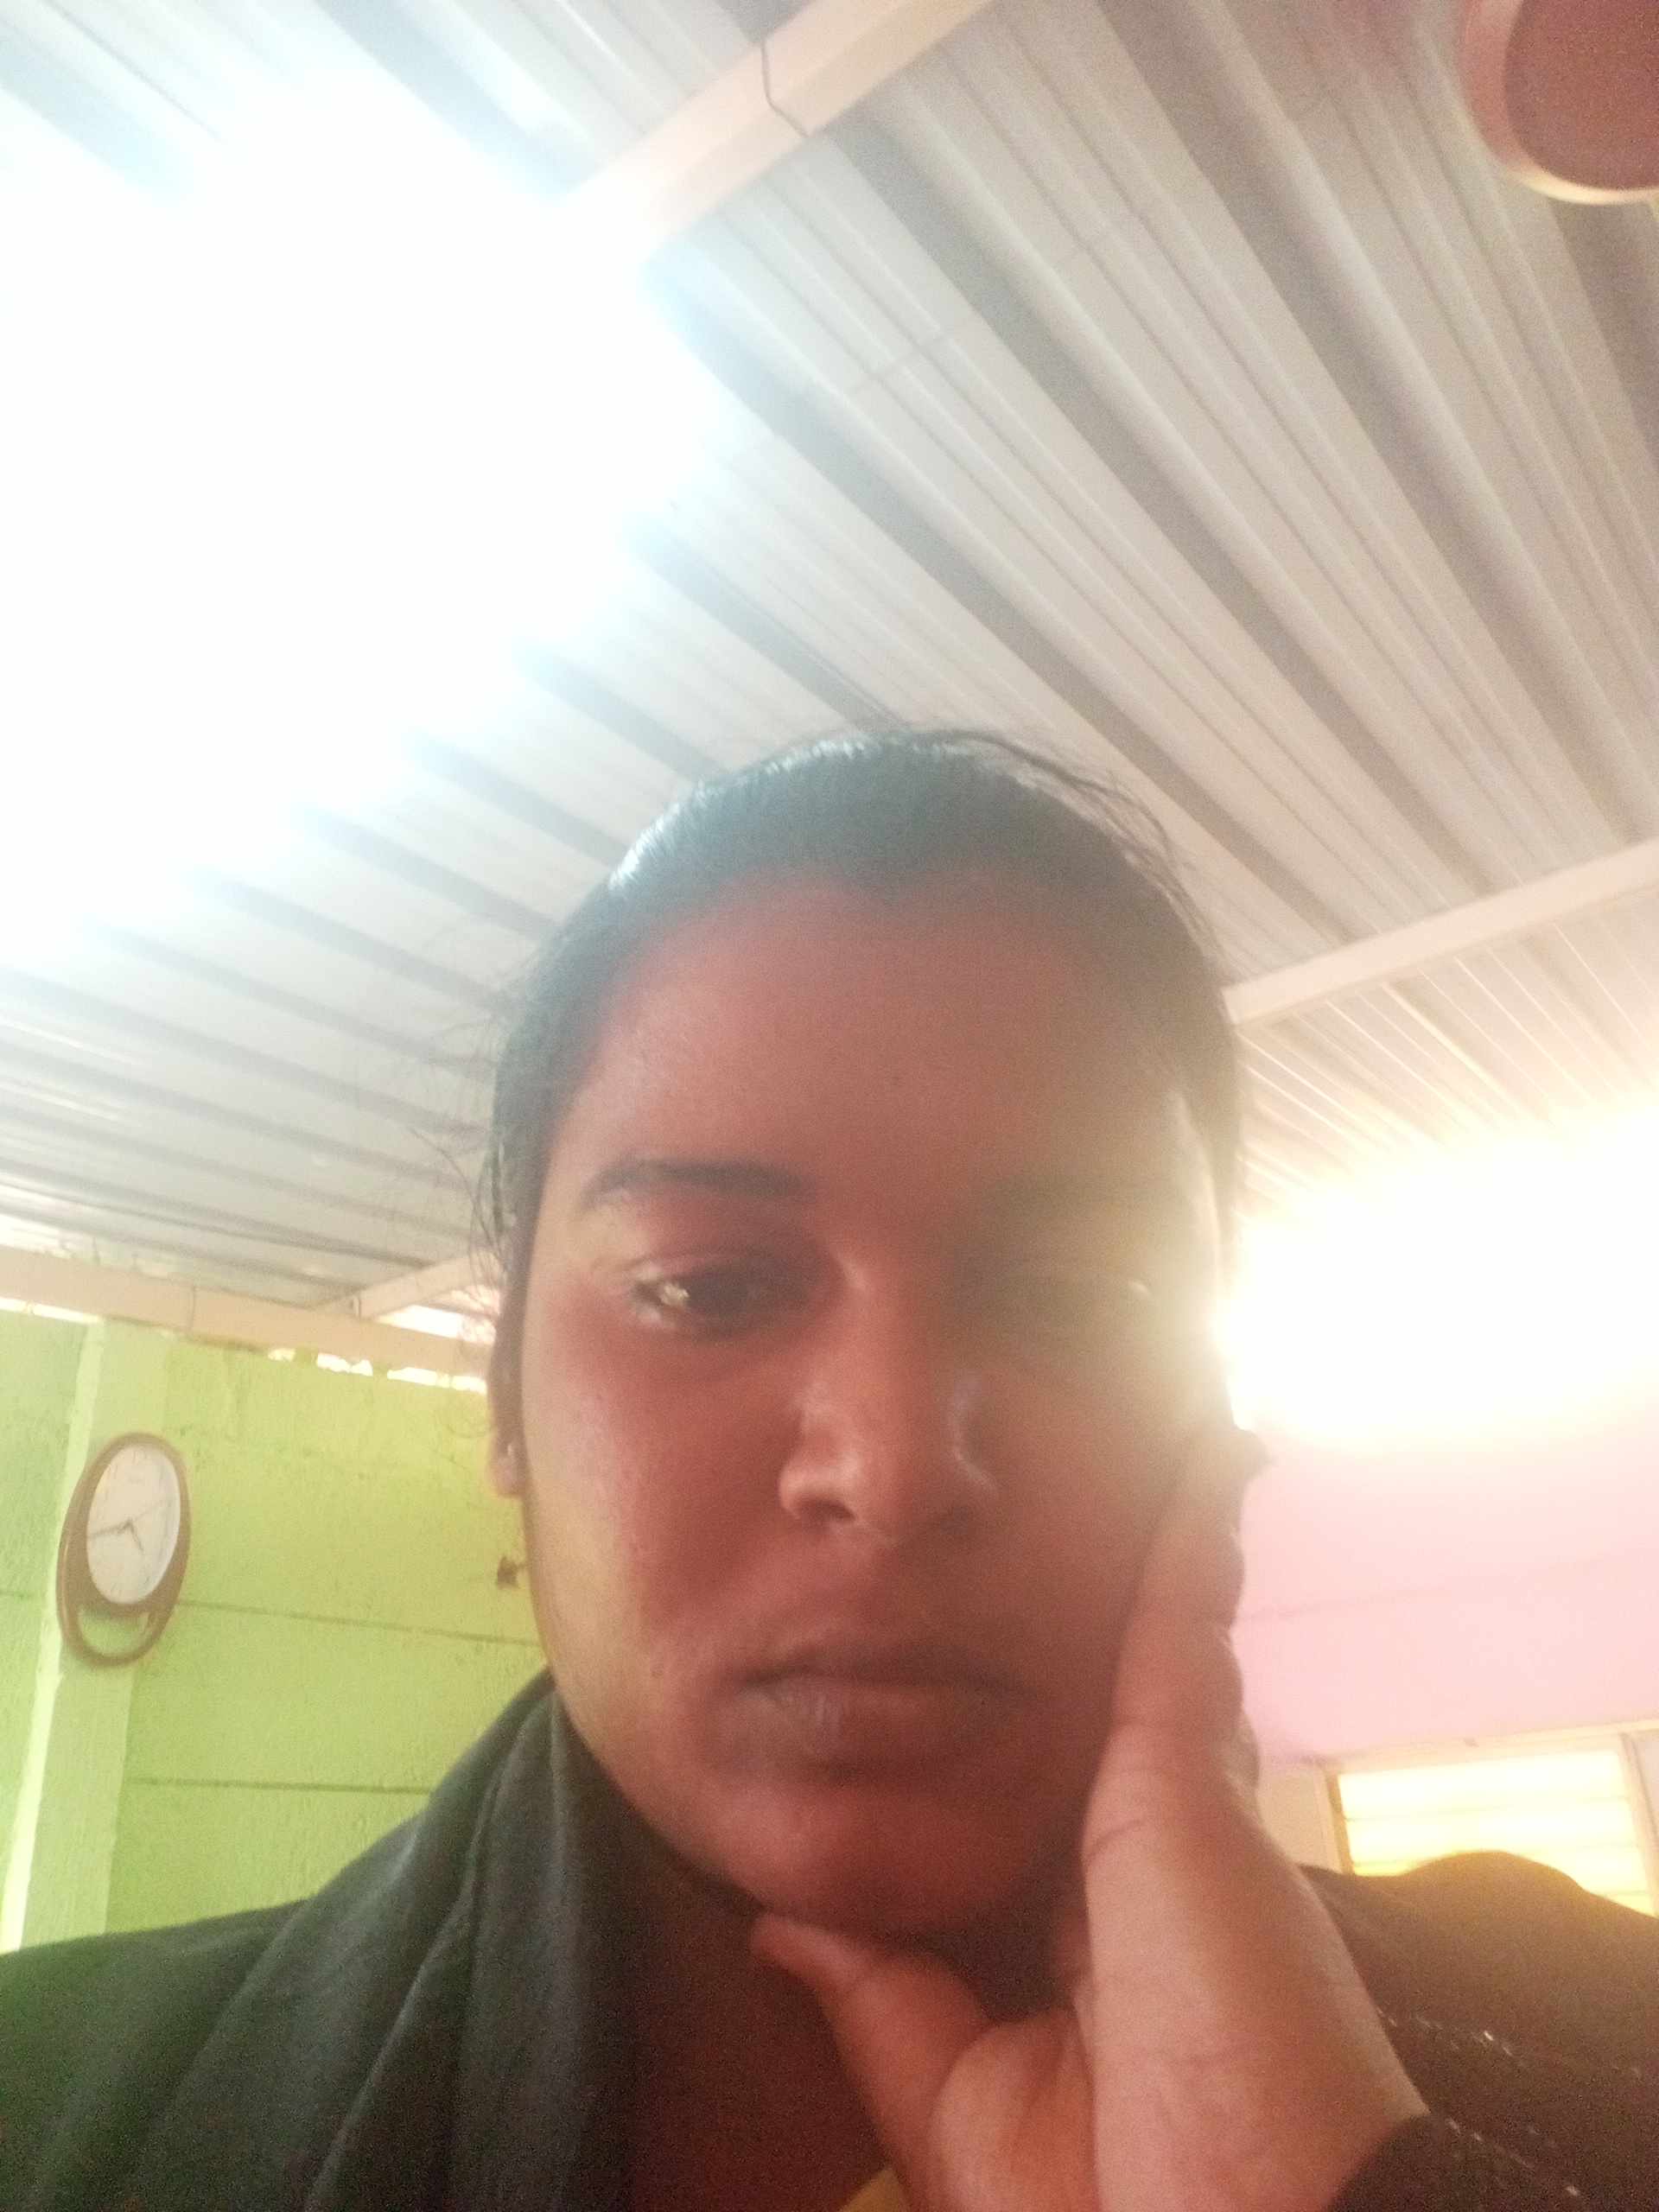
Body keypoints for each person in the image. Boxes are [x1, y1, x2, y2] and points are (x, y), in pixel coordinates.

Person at [3, 732, 1655, 2212]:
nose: (894, 1468)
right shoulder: (54, 2112)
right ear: (506, 1394)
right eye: (709, 1288)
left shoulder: (1601, 2028)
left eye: (1082, 1299)